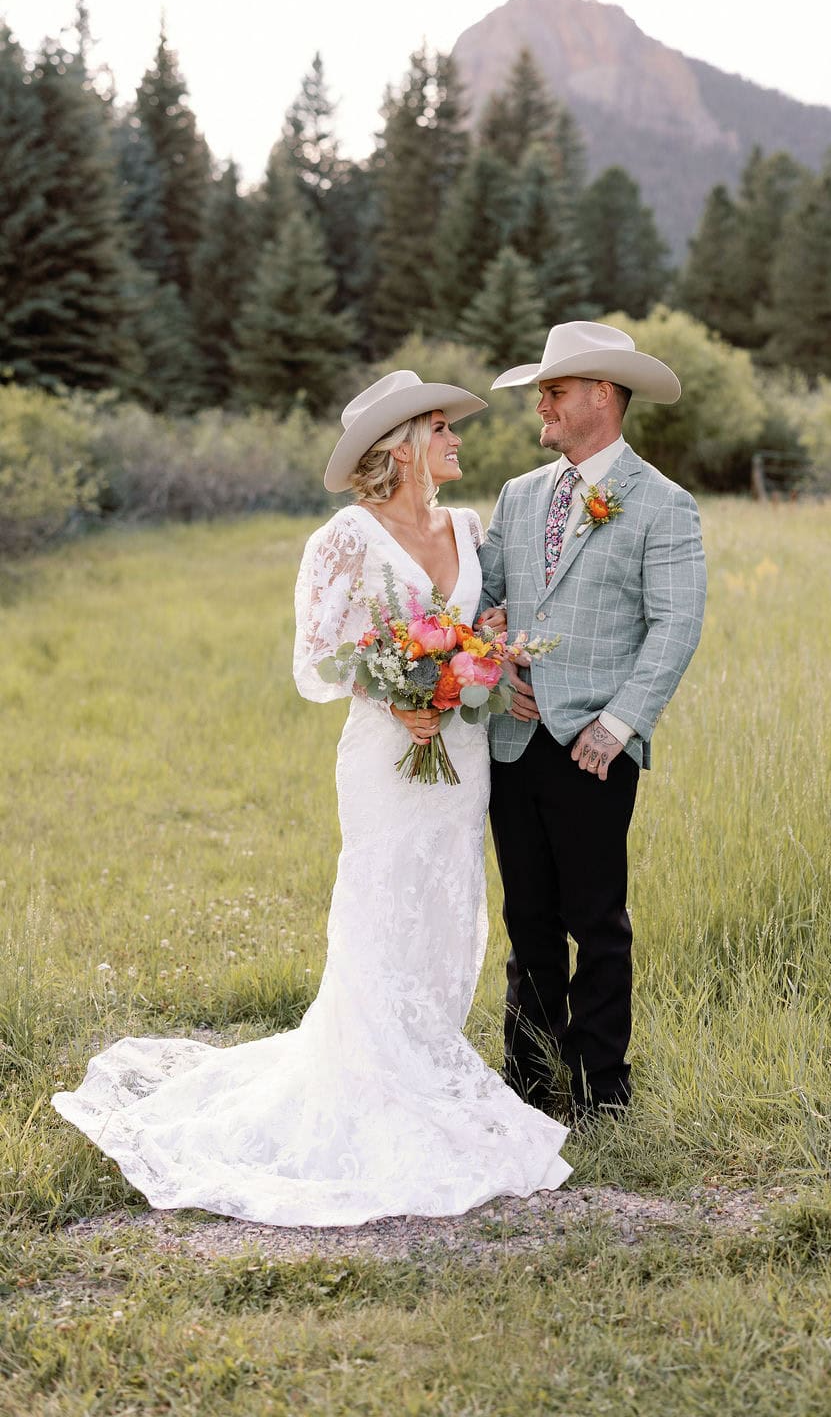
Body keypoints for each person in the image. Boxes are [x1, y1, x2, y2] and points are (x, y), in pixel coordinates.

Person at [52, 370, 571, 1227]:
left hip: (461, 753)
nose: (457, 438)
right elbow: (316, 660)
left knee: (447, 906)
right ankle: (371, 1077)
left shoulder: (467, 526)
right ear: (403, 446)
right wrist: (396, 694)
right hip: (386, 756)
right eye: (442, 427)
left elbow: (480, 627)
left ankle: (426, 1058)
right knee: (381, 901)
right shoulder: (345, 536)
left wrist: (481, 660)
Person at [479, 322, 707, 1118]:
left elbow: (676, 624)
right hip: (513, 739)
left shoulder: (663, 504)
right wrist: (496, 664)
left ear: (602, 396)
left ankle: (600, 1089)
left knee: (598, 922)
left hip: (593, 747)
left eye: (555, 391)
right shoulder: (518, 495)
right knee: (526, 919)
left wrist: (618, 724)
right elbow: (486, 600)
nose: (541, 405)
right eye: (542, 392)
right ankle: (528, 1081)